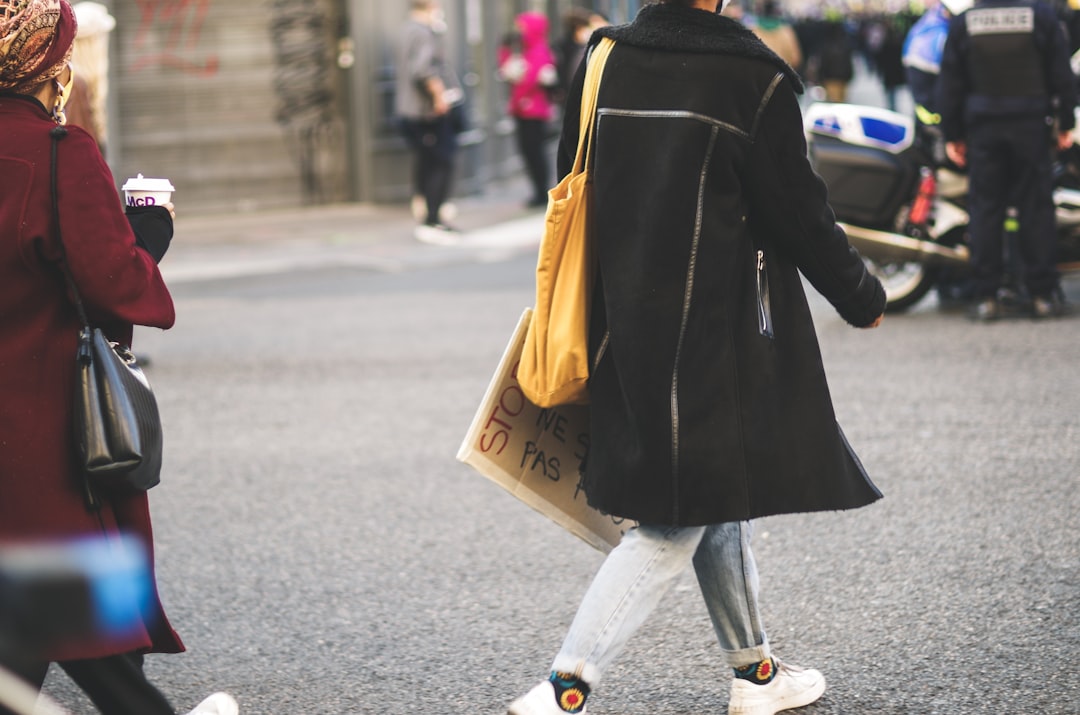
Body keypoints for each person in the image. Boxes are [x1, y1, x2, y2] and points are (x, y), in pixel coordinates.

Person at [504, 2, 886, 715]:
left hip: (614, 317)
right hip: (711, 325)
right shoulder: (749, 75)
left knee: (713, 486)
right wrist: (860, 293)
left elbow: (571, 174)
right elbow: (798, 212)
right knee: (672, 518)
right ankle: (564, 688)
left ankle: (757, 673)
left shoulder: (604, 60)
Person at [0, 2, 236, 714]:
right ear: (50, 63)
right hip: (43, 422)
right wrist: (149, 233)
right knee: (75, 598)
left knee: (33, 612)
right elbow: (114, 285)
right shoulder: (56, 152)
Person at [938, 0, 1077, 319]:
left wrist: (953, 134)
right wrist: (1065, 122)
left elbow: (951, 84)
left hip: (984, 128)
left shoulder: (966, 22)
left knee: (986, 209)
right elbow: (1061, 73)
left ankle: (986, 297)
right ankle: (1041, 294)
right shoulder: (1040, 15)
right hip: (1030, 125)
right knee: (1035, 207)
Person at [394, 0, 464, 245]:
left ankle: (428, 212)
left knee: (428, 162)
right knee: (441, 162)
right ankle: (433, 219)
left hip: (412, 112)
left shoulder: (407, 29)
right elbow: (422, 70)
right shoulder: (423, 32)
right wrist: (439, 97)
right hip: (427, 113)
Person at [497, 12, 559, 208]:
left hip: (535, 112)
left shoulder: (540, 51)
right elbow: (507, 69)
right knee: (528, 152)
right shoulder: (521, 49)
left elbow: (530, 79)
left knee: (535, 153)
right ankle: (538, 190)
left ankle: (541, 192)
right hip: (521, 111)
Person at [749, 0, 802, 72]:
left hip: (759, 78)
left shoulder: (752, 31)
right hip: (782, 77)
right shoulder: (786, 32)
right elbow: (796, 60)